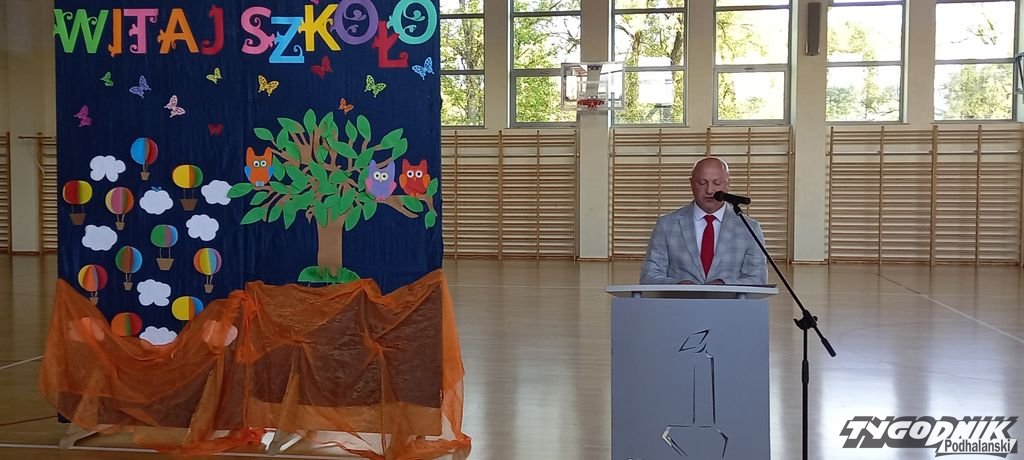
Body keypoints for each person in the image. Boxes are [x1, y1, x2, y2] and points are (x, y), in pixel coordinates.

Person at [639, 157, 768, 285]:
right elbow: (649, 276)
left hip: (729, 299)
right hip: (680, 298)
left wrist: (724, 285)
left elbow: (758, 279)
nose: (709, 190)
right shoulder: (666, 225)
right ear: (691, 183)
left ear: (728, 183)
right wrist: (678, 285)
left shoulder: (749, 228)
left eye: (716, 183)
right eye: (702, 183)